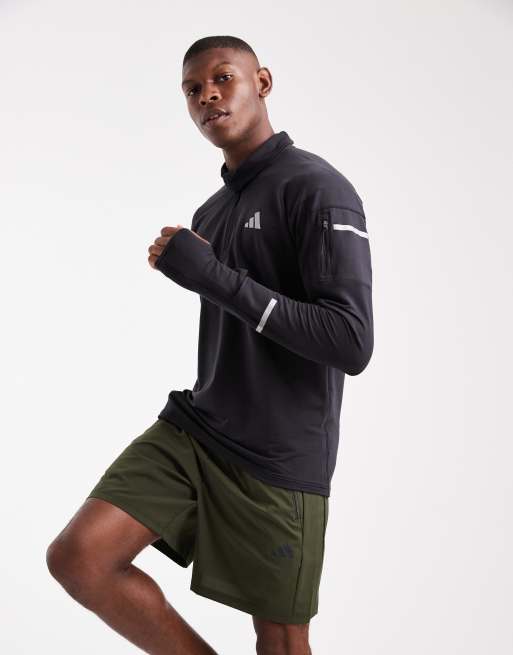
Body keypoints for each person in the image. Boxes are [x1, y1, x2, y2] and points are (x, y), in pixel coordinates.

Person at [46, 34, 374, 655]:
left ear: (263, 82)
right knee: (80, 558)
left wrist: (213, 277)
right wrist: (209, 273)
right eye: (193, 89)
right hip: (198, 428)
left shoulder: (318, 188)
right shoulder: (212, 211)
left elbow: (351, 341)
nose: (208, 96)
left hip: (280, 455)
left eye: (223, 78)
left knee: (280, 641)